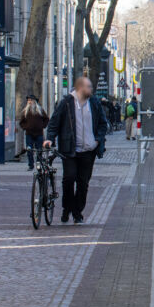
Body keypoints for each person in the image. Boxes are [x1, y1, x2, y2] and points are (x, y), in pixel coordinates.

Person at [44, 76, 108, 224]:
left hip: (89, 150)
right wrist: (50, 138)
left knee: (83, 183)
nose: (91, 89)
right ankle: (67, 208)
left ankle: (77, 212)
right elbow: (54, 123)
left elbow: (103, 123)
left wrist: (97, 140)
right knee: (69, 178)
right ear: (80, 88)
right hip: (69, 149)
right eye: (88, 86)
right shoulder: (66, 103)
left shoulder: (94, 103)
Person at [18, 95, 50, 170]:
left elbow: (46, 119)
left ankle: (39, 164)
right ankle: (31, 165)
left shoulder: (40, 110)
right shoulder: (25, 111)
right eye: (28, 100)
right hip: (29, 133)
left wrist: (42, 126)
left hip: (39, 133)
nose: (29, 102)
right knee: (29, 150)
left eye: (31, 100)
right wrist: (26, 127)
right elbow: (21, 122)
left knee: (39, 150)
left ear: (34, 101)